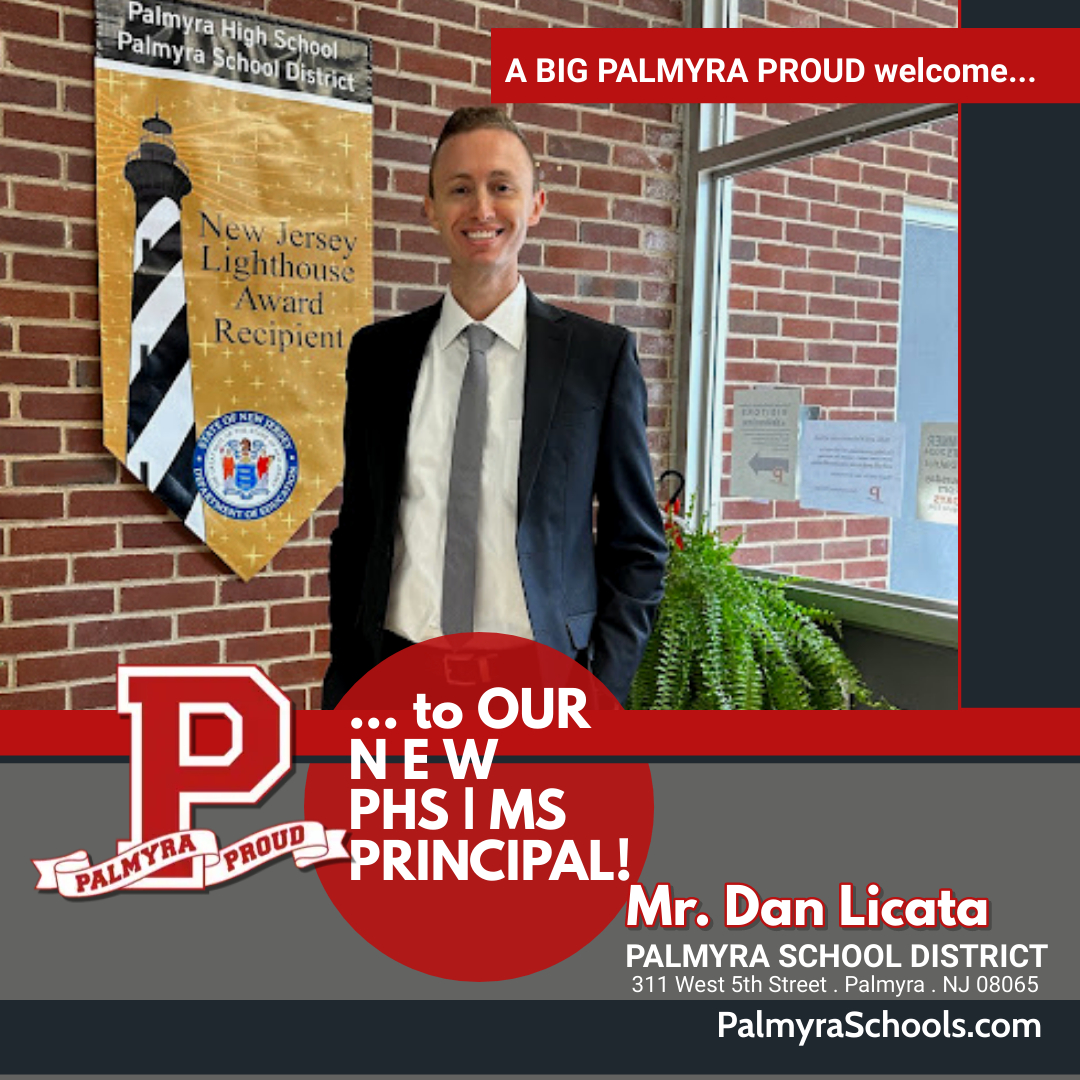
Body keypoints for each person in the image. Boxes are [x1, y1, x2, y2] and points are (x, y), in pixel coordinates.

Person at [322, 107, 667, 709]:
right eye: (459, 189)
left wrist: (600, 693)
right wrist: (349, 680)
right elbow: (359, 534)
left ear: (535, 204)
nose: (481, 208)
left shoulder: (597, 359)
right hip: (397, 678)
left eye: (501, 187)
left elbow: (636, 547)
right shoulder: (378, 358)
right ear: (430, 208)